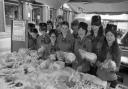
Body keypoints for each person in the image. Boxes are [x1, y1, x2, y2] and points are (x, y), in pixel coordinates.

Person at [96, 24, 121, 88]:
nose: (109, 37)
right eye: (107, 35)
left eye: (111, 35)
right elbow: (97, 61)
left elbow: (117, 68)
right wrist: (100, 64)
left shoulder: (118, 50)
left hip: (110, 80)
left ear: (115, 37)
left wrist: (111, 68)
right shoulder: (101, 46)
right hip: (99, 77)